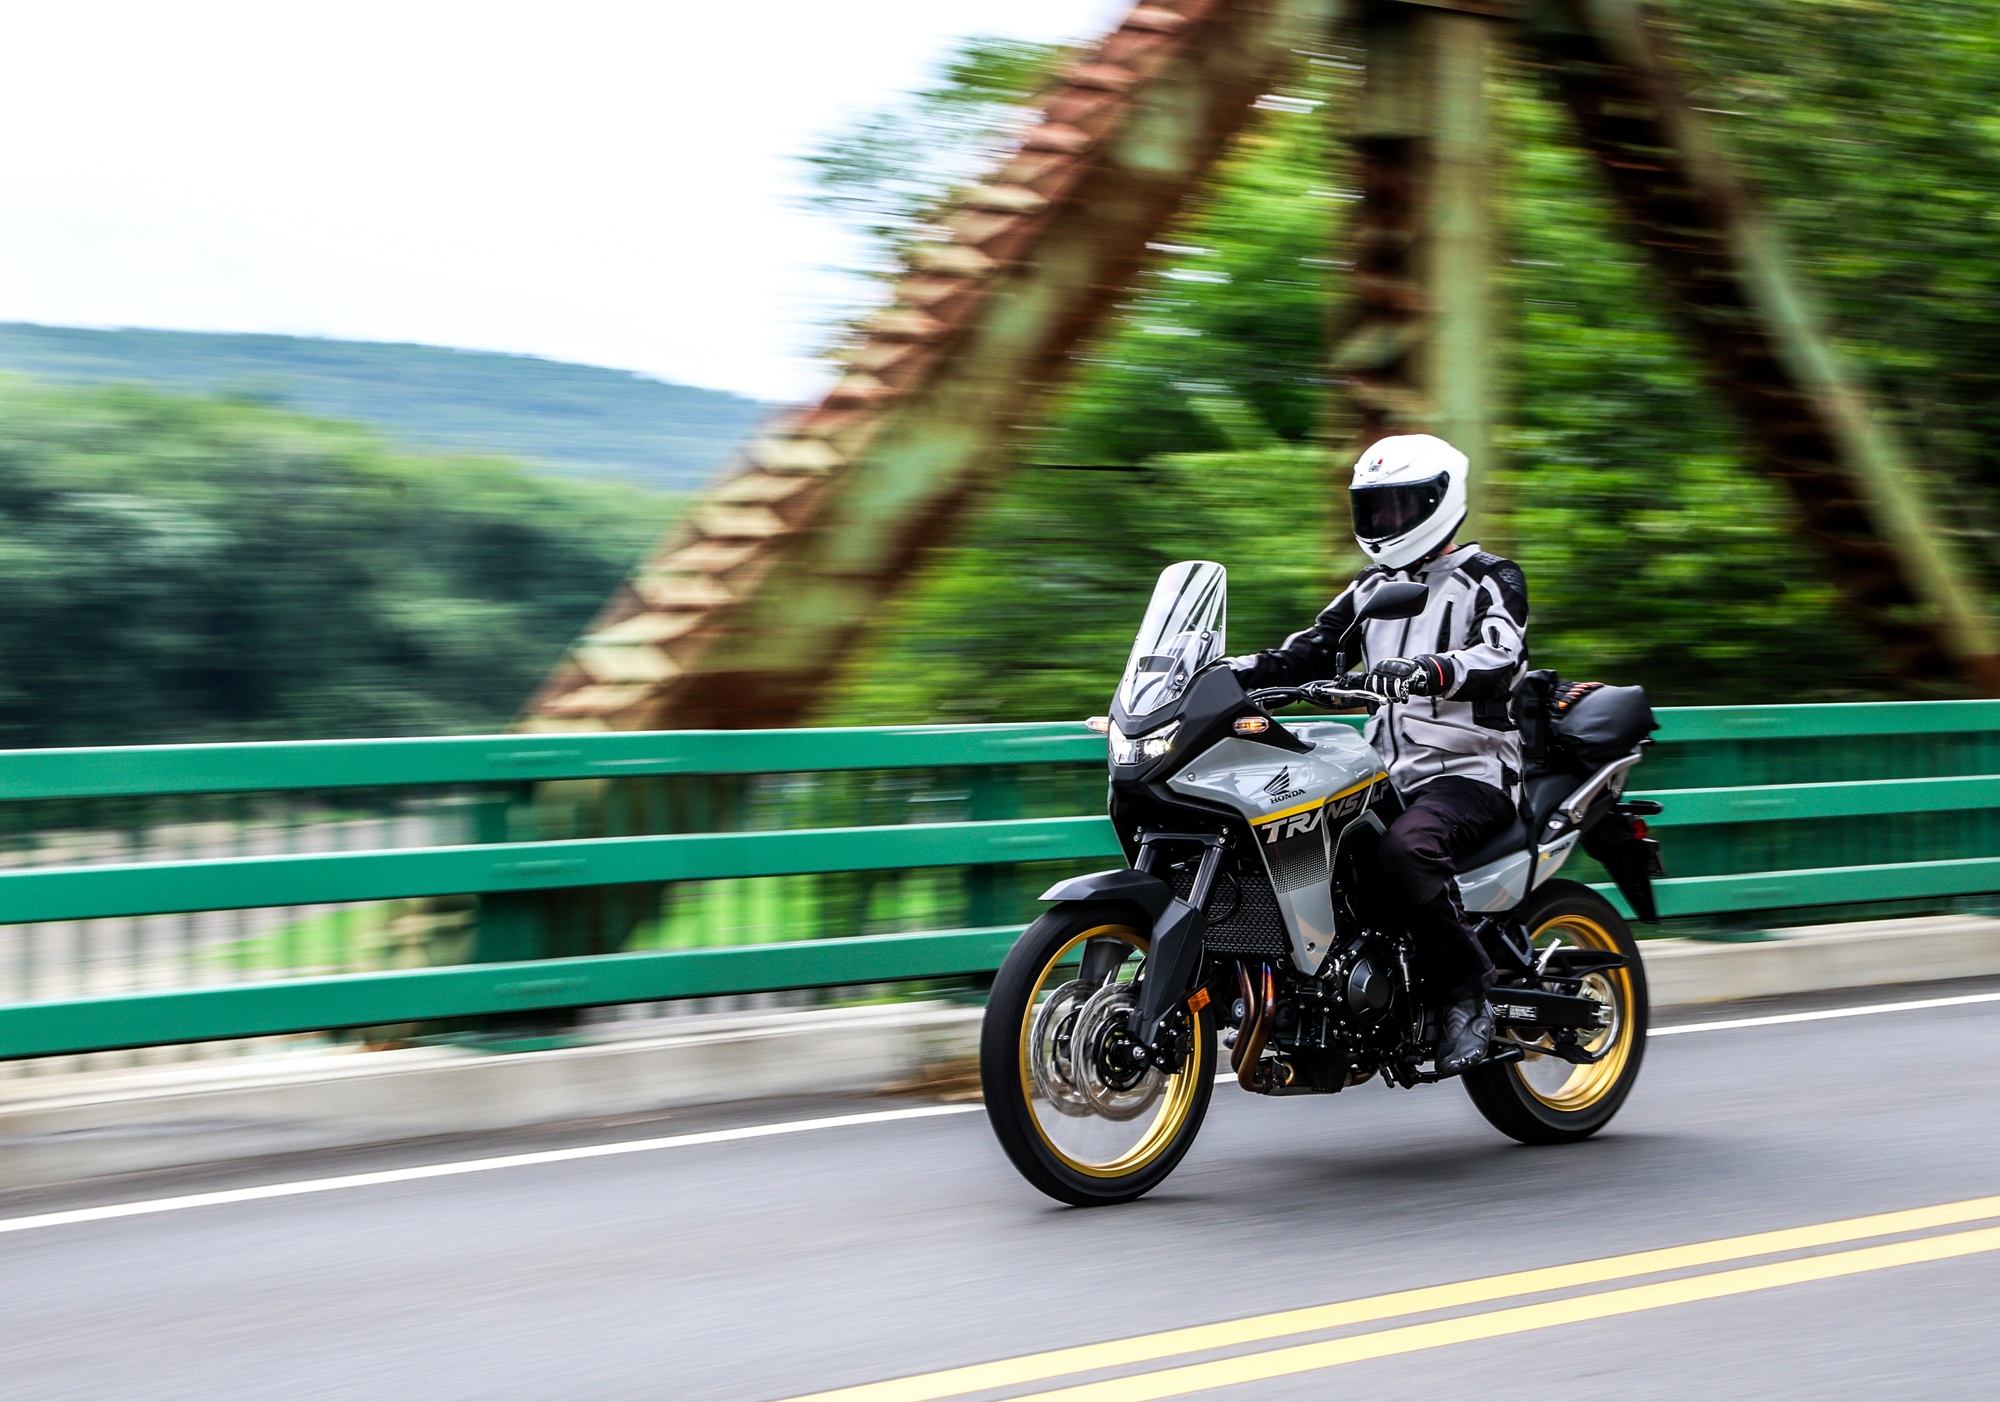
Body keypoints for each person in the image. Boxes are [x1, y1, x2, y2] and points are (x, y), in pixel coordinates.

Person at [1230, 434, 1528, 1075]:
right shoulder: (1370, 588)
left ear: (1439, 501)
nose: (1387, 523)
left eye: (1400, 507)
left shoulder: (1489, 578)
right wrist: (1223, 673)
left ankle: (1467, 996)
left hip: (1470, 769)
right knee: (1302, 842)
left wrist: (1434, 671)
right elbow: (1305, 652)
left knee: (1404, 850)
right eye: (1376, 509)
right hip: (1388, 773)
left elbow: (1502, 652)